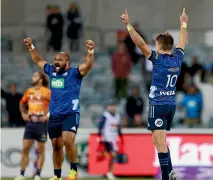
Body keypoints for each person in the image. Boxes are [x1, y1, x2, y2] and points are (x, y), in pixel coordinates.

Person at [120, 8, 189, 180]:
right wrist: (184, 23)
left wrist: (128, 25)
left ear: (159, 46)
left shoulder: (157, 59)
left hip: (158, 104)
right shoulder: (178, 57)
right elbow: (182, 41)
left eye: (156, 44)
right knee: (159, 142)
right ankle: (170, 171)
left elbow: (140, 43)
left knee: (159, 144)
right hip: (170, 105)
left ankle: (166, 177)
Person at [23, 37, 95, 180]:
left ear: (67, 63)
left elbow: (87, 65)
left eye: (60, 60)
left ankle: (74, 171)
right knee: (56, 146)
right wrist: (31, 47)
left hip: (70, 114)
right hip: (55, 116)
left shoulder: (75, 73)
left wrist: (90, 51)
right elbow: (38, 61)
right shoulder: (51, 71)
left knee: (68, 141)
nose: (56, 61)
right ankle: (57, 176)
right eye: (55, 59)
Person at [14, 72, 51, 180]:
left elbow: (55, 105)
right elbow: (21, 103)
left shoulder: (47, 92)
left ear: (40, 79)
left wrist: (47, 116)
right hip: (30, 123)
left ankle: (38, 175)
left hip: (41, 124)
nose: (32, 78)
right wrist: (23, 114)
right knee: (25, 149)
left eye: (35, 76)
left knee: (40, 150)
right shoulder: (29, 91)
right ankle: (21, 174)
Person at [98, 100, 123, 180]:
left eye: (113, 106)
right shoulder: (105, 115)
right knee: (113, 155)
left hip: (114, 138)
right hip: (107, 138)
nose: (112, 107)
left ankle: (110, 172)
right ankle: (109, 172)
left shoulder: (117, 116)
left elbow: (118, 127)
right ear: (108, 107)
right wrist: (99, 136)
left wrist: (120, 135)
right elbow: (100, 126)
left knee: (113, 156)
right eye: (110, 106)